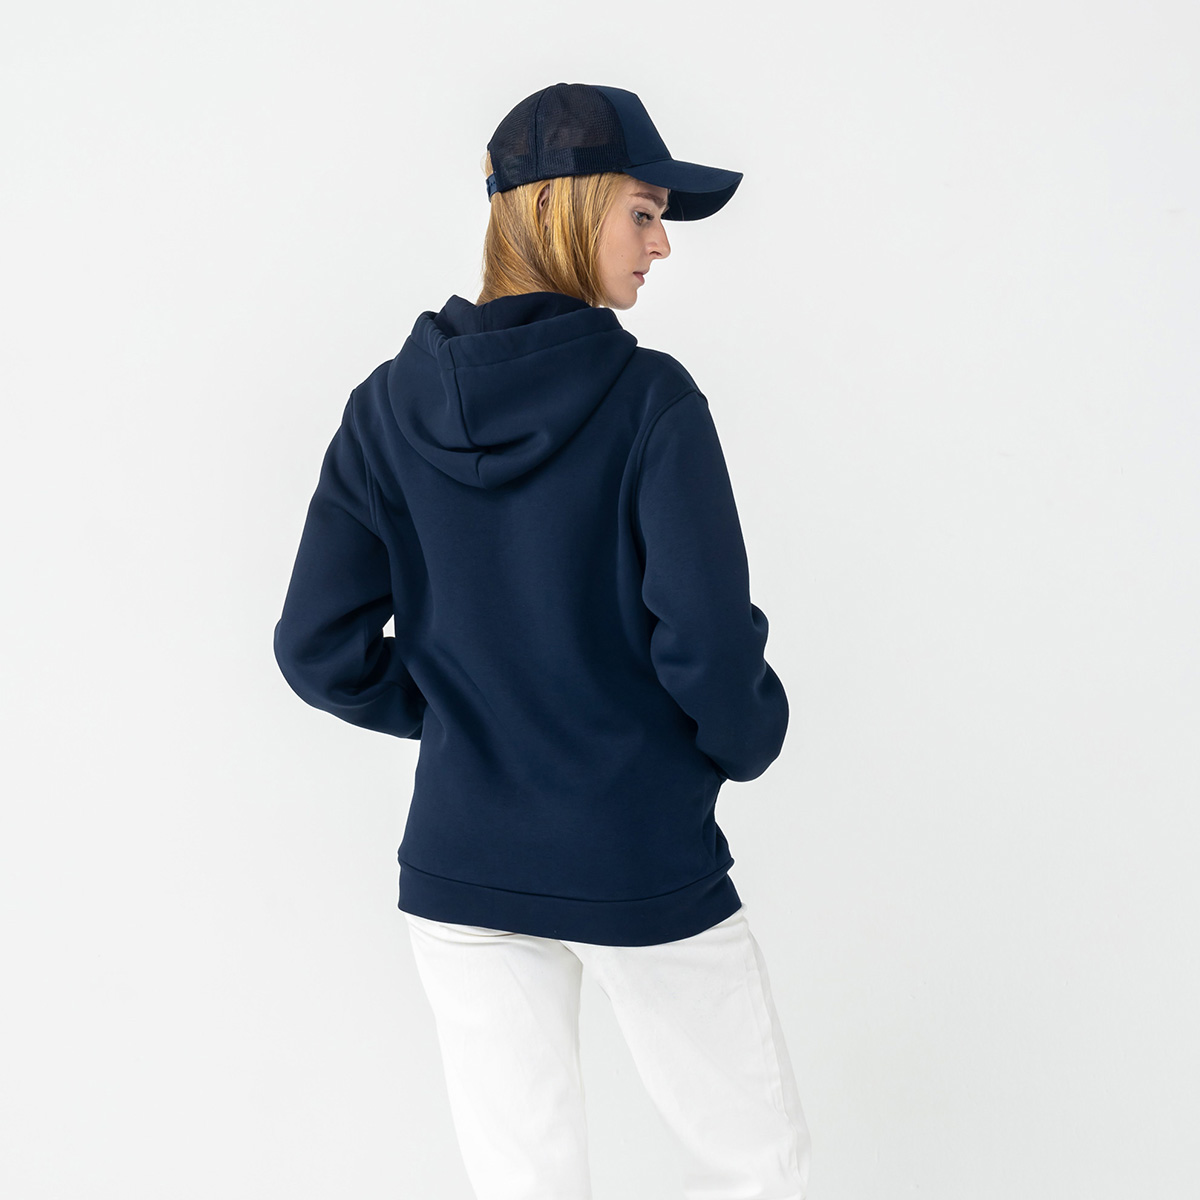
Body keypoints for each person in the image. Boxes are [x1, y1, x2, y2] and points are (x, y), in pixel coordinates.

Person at [273, 81, 811, 1200]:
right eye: (644, 213)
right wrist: (747, 739)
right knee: (759, 1166)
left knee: (524, 1183)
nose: (662, 245)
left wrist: (461, 713)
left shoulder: (382, 409)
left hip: (463, 863)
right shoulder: (653, 402)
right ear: (565, 209)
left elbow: (317, 646)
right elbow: (706, 643)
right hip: (635, 851)